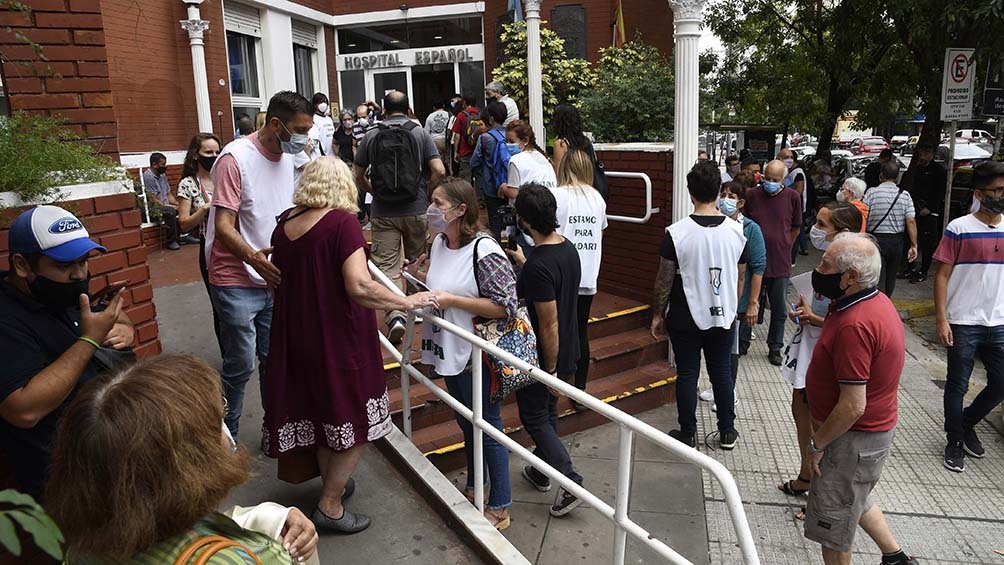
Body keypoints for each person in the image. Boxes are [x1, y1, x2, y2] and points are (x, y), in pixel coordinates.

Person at [264, 157, 437, 533]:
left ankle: (334, 485)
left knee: (325, 414)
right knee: (353, 417)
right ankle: (330, 506)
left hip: (297, 336)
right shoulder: (342, 224)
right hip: (338, 338)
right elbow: (358, 285)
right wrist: (405, 301)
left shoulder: (285, 224)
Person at [45, 355, 320, 564]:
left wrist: (267, 518)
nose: (225, 430)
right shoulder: (250, 558)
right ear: (187, 467)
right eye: (218, 420)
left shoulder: (82, 549)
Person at [0, 205, 134, 498]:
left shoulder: (57, 288)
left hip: (116, 452)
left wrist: (125, 329)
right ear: (22, 265)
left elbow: (100, 313)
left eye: (83, 261)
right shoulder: (7, 317)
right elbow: (23, 410)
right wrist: (89, 341)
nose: (78, 274)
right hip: (69, 481)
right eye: (64, 265)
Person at [803, 233, 919, 565]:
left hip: (850, 440)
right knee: (855, 495)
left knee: (833, 526)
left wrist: (817, 443)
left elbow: (854, 405)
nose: (818, 267)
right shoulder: (872, 301)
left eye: (825, 264)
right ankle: (895, 558)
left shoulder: (855, 324)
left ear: (850, 277)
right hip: (865, 439)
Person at [407, 177, 516, 530]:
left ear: (460, 210)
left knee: (487, 424)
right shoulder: (439, 242)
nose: (431, 209)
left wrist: (452, 300)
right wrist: (417, 276)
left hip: (476, 353)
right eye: (431, 201)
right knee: (466, 421)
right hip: (448, 347)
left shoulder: (485, 250)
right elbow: (441, 284)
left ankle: (499, 505)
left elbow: (505, 306)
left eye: (438, 204)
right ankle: (475, 485)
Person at [206, 90, 313, 437]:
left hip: (273, 278)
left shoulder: (290, 157)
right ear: (276, 124)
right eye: (300, 130)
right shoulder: (235, 158)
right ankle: (227, 436)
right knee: (240, 363)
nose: (305, 138)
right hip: (235, 278)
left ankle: (275, 431)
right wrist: (253, 257)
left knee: (274, 360)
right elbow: (223, 226)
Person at [651, 160, 748, 450]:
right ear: (718, 191)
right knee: (721, 372)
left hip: (685, 313)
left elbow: (664, 278)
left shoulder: (676, 233)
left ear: (690, 191)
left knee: (687, 372)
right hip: (724, 313)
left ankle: (688, 433)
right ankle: (727, 431)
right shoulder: (736, 232)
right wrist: (733, 306)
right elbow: (741, 275)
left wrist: (658, 313)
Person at [506, 183, 585, 517]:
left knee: (535, 416)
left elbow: (548, 324)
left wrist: (548, 371)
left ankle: (571, 480)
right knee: (548, 412)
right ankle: (542, 470)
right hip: (570, 346)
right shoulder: (567, 249)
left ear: (524, 220)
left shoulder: (538, 266)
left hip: (544, 355)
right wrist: (525, 262)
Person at [777, 202, 863, 504]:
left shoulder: (856, 274)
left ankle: (821, 492)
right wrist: (802, 314)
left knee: (820, 422)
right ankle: (806, 475)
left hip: (829, 356)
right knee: (800, 411)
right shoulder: (828, 265)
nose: (815, 230)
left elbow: (852, 323)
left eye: (823, 225)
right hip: (808, 347)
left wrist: (814, 318)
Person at [354, 90, 445, 344]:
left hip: (383, 212)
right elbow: (439, 170)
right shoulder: (419, 132)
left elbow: (357, 175)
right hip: (415, 208)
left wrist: (373, 192)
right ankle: (421, 310)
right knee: (418, 260)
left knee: (387, 266)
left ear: (383, 110)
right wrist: (426, 192)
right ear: (408, 109)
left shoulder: (372, 134)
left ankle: (395, 316)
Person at [934, 160, 1004, 473]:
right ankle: (954, 441)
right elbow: (942, 275)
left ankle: (966, 422)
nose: (1002, 195)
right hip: (963, 321)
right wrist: (942, 319)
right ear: (979, 193)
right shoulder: (959, 228)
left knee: (1000, 383)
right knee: (957, 385)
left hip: (998, 322)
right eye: (997, 190)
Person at [699, 179, 763, 413]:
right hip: (715, 296)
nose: (725, 200)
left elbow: (758, 268)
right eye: (723, 194)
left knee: (730, 350)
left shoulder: (751, 229)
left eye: (731, 196)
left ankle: (729, 392)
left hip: (736, 301)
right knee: (715, 348)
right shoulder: (714, 223)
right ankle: (717, 387)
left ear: (741, 202)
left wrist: (752, 303)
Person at [550, 148, 607, 406]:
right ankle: (580, 390)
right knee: (580, 330)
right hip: (587, 274)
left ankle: (556, 382)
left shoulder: (557, 196)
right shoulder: (597, 199)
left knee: (555, 327)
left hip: (559, 273)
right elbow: (600, 235)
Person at [743, 159, 802, 366]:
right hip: (753, 259)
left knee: (779, 308)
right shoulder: (752, 195)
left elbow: (796, 227)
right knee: (749, 301)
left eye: (775, 180)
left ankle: (775, 347)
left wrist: (785, 244)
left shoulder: (793, 197)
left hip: (779, 259)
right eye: (767, 178)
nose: (770, 182)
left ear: (783, 179)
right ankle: (743, 341)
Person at [176, 132, 223, 351]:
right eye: (208, 152)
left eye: (217, 152)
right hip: (210, 247)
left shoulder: (224, 176)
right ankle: (228, 353)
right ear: (196, 155)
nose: (214, 156)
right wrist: (204, 209)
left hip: (235, 242)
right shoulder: (188, 184)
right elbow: (184, 224)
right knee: (219, 304)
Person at [862, 159, 918, 297]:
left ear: (881, 175)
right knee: (891, 275)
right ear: (897, 177)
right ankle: (887, 300)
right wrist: (914, 245)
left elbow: (864, 215)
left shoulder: (871, 193)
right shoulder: (905, 195)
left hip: (875, 239)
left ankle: (879, 301)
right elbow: (911, 221)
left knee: (878, 274)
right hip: (896, 241)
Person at [901, 144, 947, 283]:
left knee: (927, 244)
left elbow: (940, 192)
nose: (923, 157)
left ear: (932, 155)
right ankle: (910, 268)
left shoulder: (938, 171)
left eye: (926, 154)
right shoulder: (917, 170)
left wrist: (930, 207)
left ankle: (923, 270)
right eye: (921, 154)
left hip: (930, 213)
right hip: (915, 210)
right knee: (909, 240)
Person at [470, 101, 512, 241]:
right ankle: (511, 246)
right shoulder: (512, 135)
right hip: (511, 185)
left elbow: (474, 162)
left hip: (491, 186)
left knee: (495, 220)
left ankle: (497, 245)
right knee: (511, 219)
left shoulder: (485, 138)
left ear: (491, 118)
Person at [142, 152, 184, 251]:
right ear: (154, 165)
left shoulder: (162, 175)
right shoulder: (148, 177)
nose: (165, 167)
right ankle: (171, 241)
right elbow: (153, 199)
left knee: (183, 207)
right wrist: (170, 206)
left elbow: (168, 194)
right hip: (153, 208)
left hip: (165, 204)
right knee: (170, 211)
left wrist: (178, 204)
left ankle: (184, 235)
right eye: (163, 164)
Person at [780, 148, 809, 263]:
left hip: (795, 208)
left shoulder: (797, 173)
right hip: (786, 208)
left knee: (796, 231)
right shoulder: (786, 171)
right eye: (786, 158)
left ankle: (791, 259)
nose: (789, 160)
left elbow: (798, 191)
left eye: (791, 157)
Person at [451, 95, 483, 186]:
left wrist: (455, 152)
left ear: (464, 102)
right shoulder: (481, 114)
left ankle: (467, 194)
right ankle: (479, 194)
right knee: (479, 177)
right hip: (479, 150)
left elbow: (457, 135)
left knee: (465, 178)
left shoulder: (461, 115)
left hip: (465, 151)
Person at [425, 99, 451, 165]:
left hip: (435, 141)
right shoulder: (448, 115)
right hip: (446, 140)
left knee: (438, 160)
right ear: (443, 105)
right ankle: (450, 171)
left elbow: (426, 132)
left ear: (434, 107)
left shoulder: (430, 116)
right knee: (449, 161)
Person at [311, 92, 336, 158]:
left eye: (325, 102)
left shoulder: (329, 119)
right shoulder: (313, 119)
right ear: (315, 105)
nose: (323, 104)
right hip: (322, 156)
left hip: (333, 155)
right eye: (320, 102)